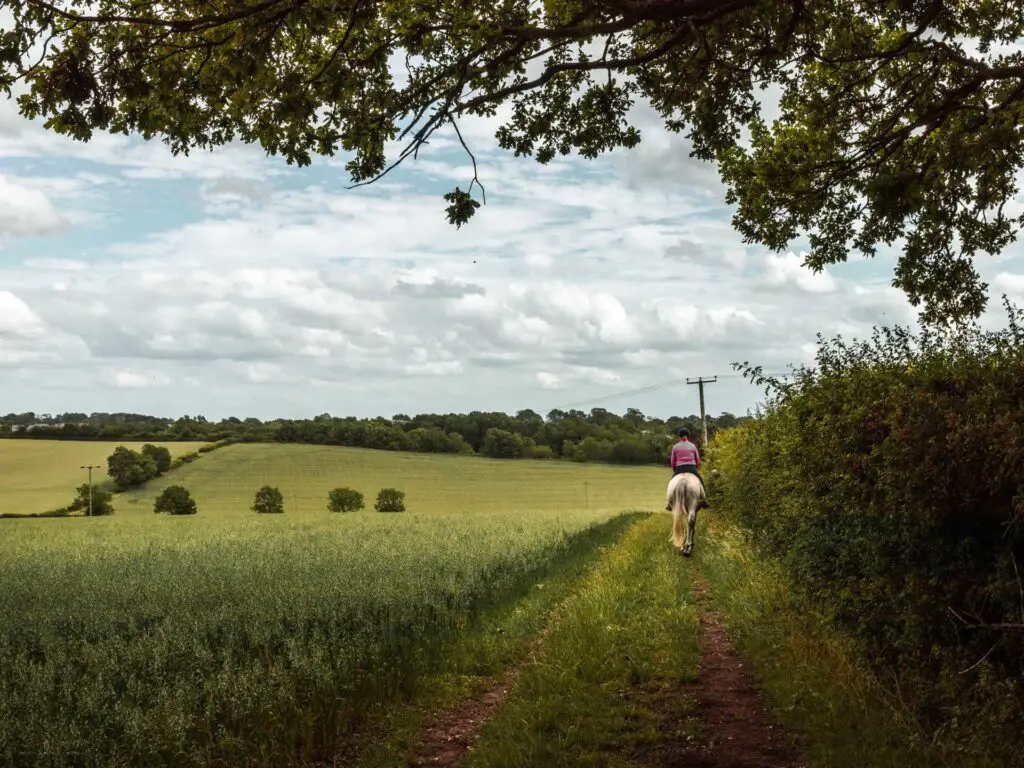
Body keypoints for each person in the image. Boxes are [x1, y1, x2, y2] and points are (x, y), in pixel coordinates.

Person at [665, 428, 709, 511]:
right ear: (688, 436)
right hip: (691, 468)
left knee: (671, 482)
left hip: (679, 469)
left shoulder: (675, 447)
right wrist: (696, 468)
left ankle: (669, 503)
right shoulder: (692, 446)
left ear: (679, 436)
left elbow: (672, 462)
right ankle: (704, 500)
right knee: (700, 481)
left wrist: (675, 470)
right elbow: (697, 460)